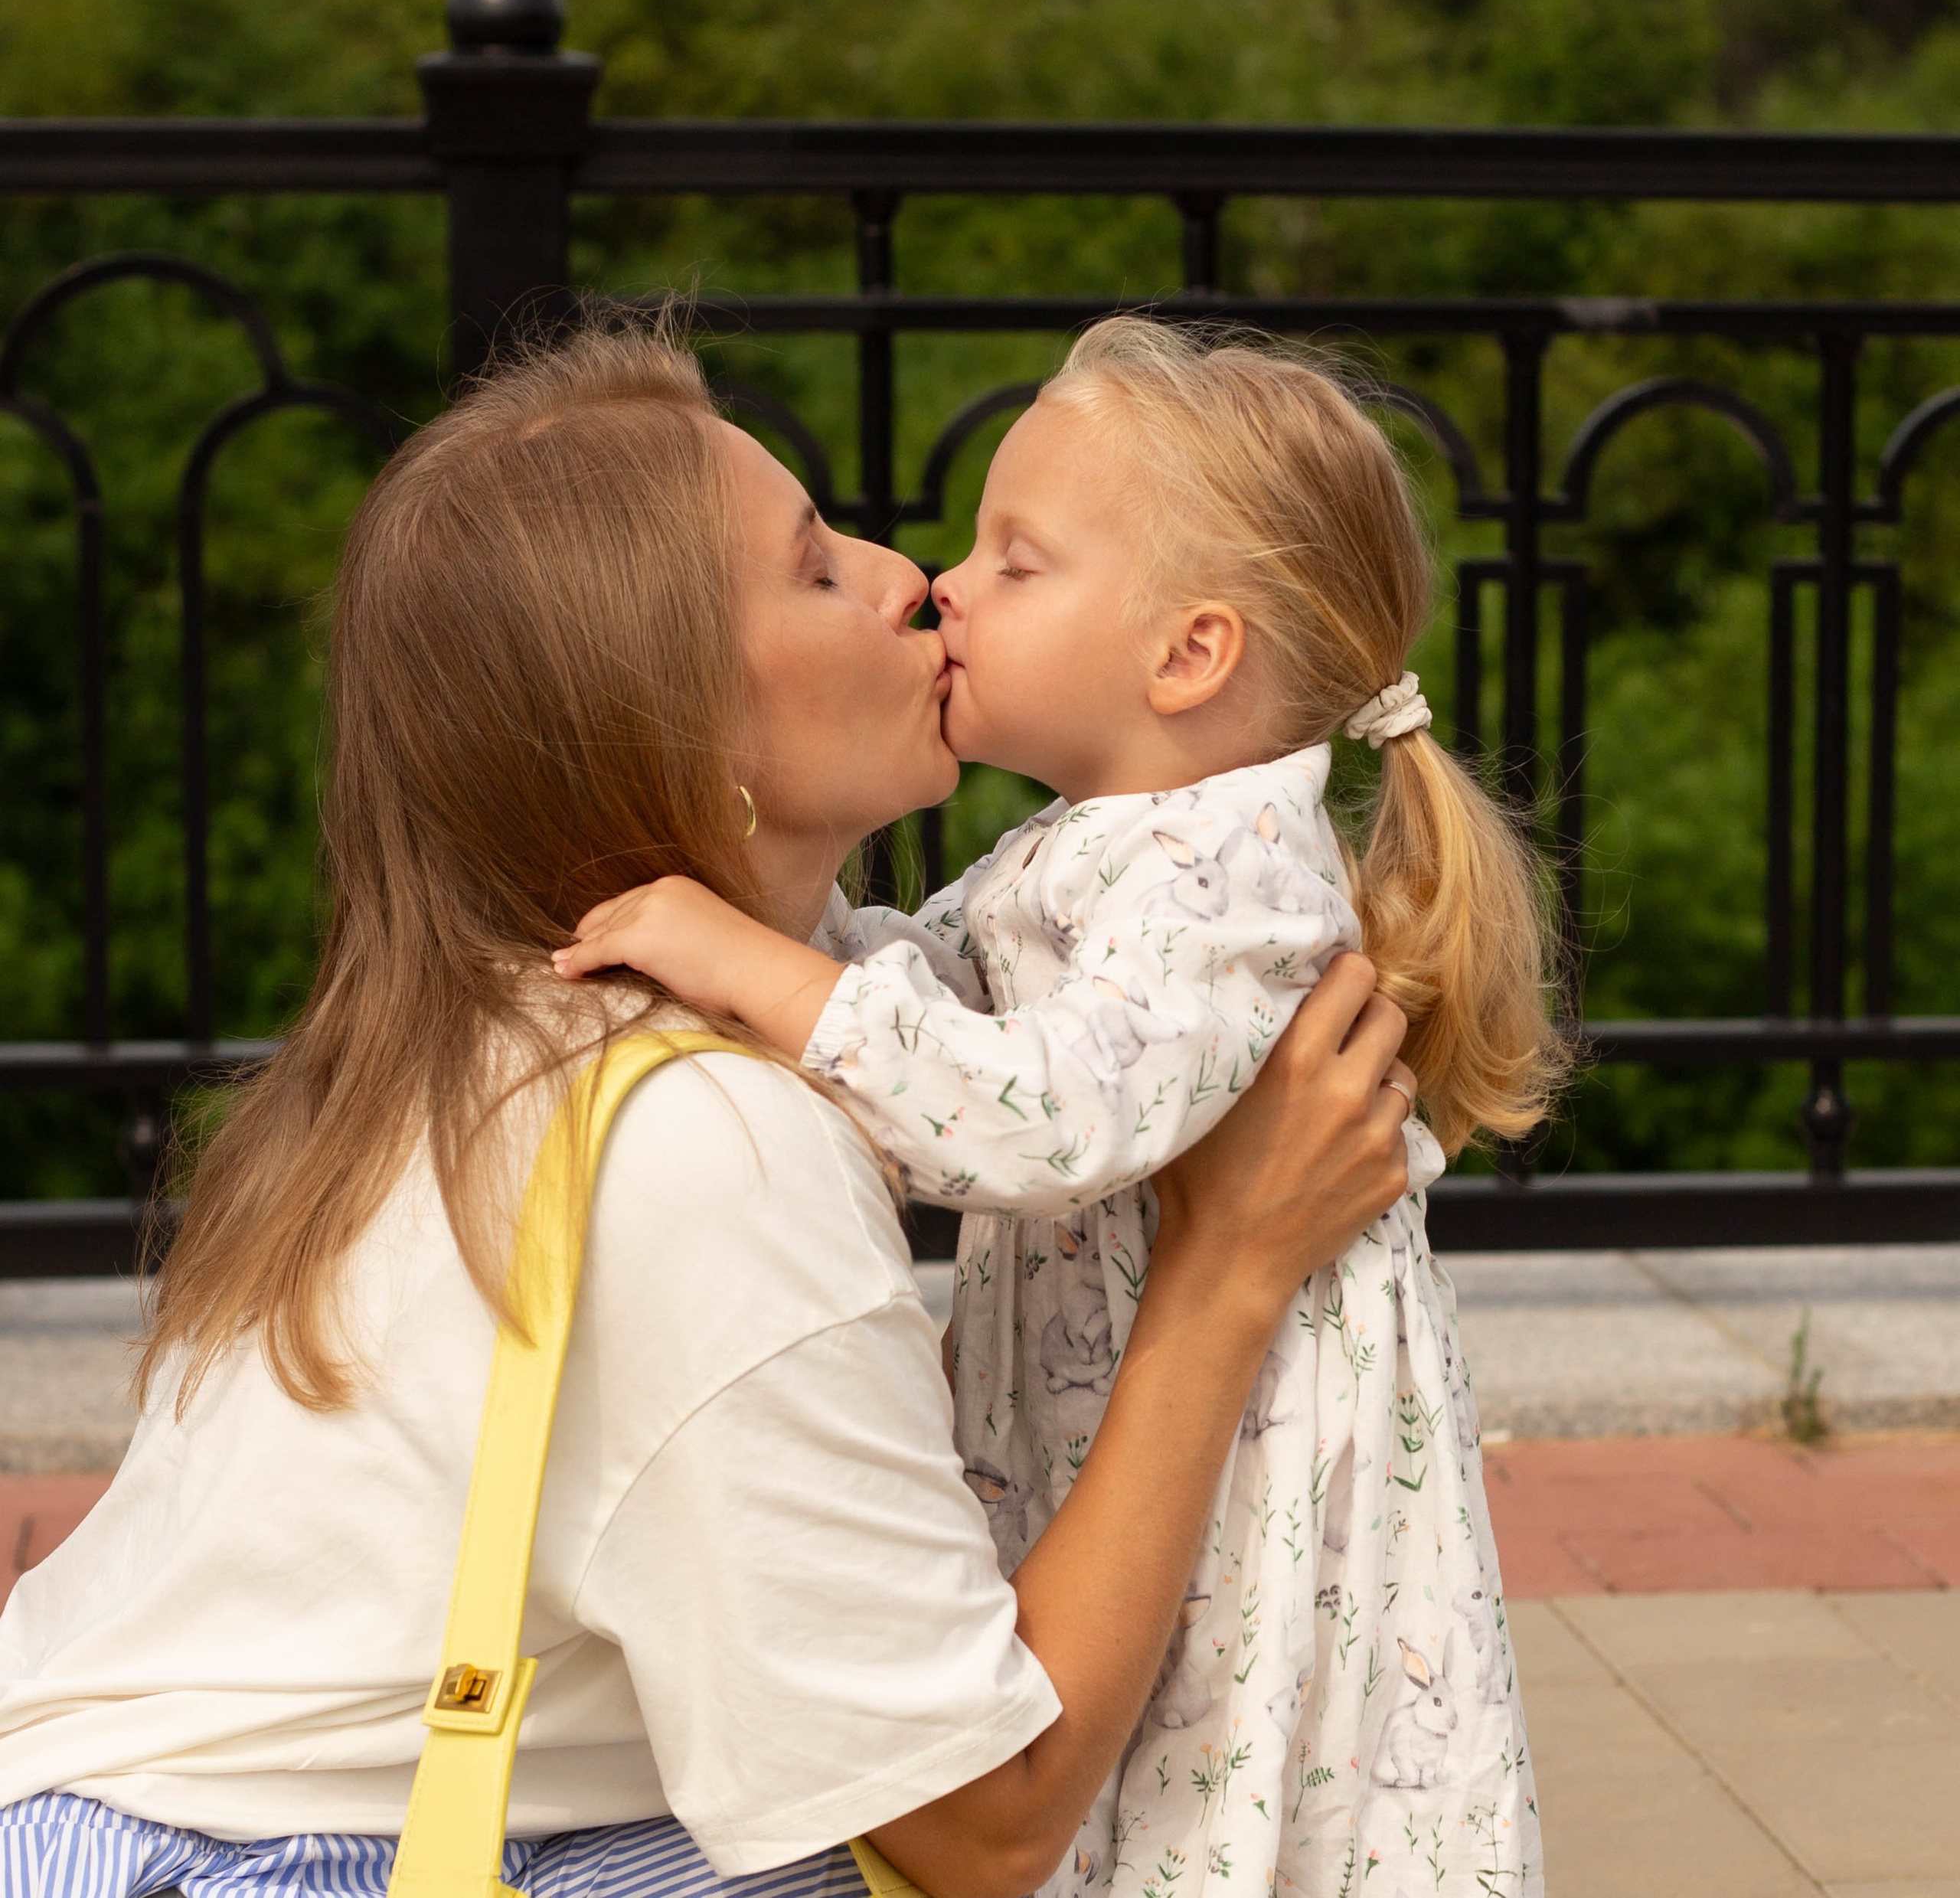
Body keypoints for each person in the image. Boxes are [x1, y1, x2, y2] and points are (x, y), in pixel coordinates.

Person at [0, 320, 1422, 1898]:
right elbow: (980, 1827)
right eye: (814, 568)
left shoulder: (496, 1021)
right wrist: (1227, 1270)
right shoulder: (703, 1150)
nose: (907, 578)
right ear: (678, 720)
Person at [551, 317, 1567, 1898]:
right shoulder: (1096, 847)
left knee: (1224, 1783)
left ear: (1189, 654)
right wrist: (772, 942)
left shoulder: (1226, 877)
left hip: (1252, 1478)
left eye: (1015, 562)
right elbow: (927, 993)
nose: (945, 584)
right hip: (1144, 1420)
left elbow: (1039, 1120)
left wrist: (743, 959)